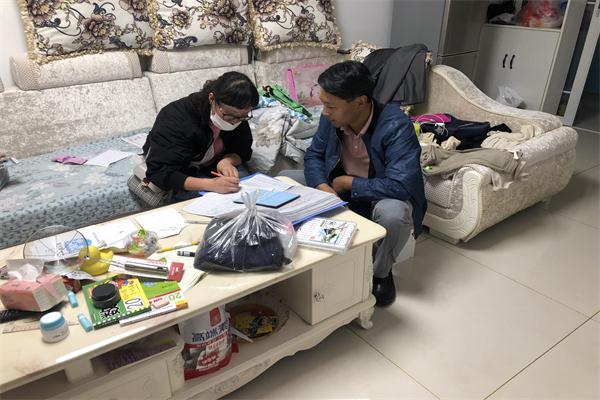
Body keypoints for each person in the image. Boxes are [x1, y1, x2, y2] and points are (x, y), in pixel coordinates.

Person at [282, 60, 426, 307]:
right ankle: (302, 251)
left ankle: (381, 272)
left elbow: (401, 186)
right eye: (323, 104)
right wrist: (323, 188)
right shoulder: (332, 118)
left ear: (360, 102)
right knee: (285, 180)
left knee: (395, 214)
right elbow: (314, 155)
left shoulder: (396, 126)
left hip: (376, 194)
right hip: (337, 186)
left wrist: (350, 183)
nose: (324, 112)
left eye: (330, 106)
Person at [142, 71, 259, 201]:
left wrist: (227, 162)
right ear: (212, 98)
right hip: (182, 172)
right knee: (217, 202)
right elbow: (160, 172)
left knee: (251, 194)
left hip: (213, 165)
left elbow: (242, 149)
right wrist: (210, 185)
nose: (234, 122)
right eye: (229, 115)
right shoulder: (176, 117)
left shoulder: (238, 116)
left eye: (243, 116)